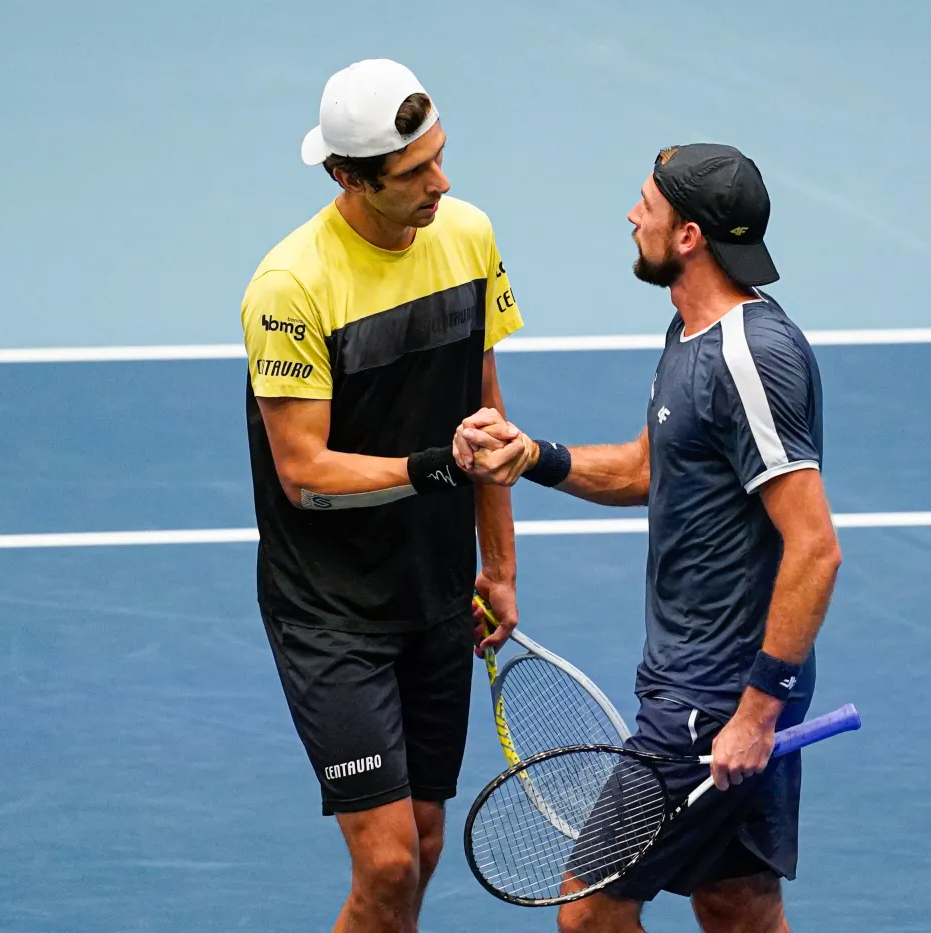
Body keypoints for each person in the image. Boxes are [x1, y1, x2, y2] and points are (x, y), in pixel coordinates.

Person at [455, 143, 841, 933]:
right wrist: (532, 456)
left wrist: (757, 709)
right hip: (700, 687)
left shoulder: (749, 358)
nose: (633, 217)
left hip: (713, 703)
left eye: (648, 206)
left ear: (690, 235)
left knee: (590, 912)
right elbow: (645, 467)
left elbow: (815, 546)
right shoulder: (690, 332)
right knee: (739, 906)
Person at [239, 59, 524, 933]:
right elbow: (304, 471)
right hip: (332, 613)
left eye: (440, 158)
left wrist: (499, 565)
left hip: (437, 595)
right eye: (413, 174)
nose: (440, 183)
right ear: (346, 177)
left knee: (424, 848)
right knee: (389, 859)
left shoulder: (468, 236)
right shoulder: (289, 288)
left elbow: (489, 416)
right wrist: (435, 465)